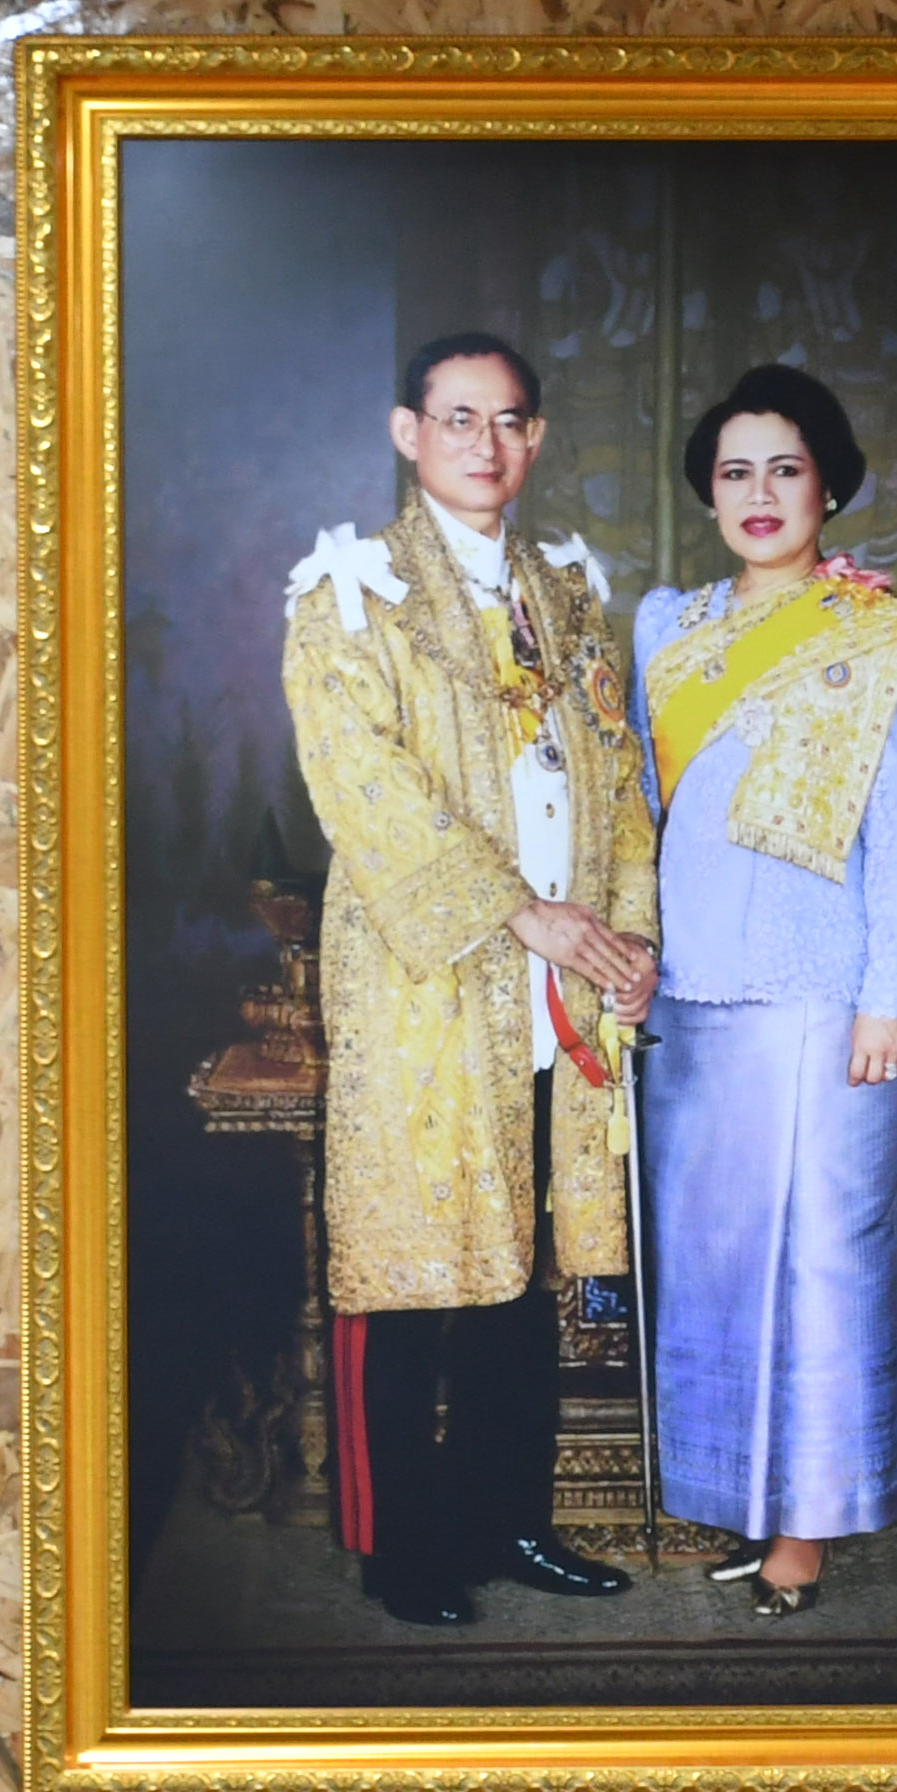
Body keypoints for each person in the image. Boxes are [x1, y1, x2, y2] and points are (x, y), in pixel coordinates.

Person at [281, 330, 656, 1630]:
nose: (483, 445)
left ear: (535, 439)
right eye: (457, 418)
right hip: (428, 990)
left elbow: (619, 782)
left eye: (507, 422)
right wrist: (517, 913)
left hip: (557, 1000)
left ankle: (512, 1521)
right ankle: (403, 1548)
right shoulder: (351, 595)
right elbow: (365, 791)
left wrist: (627, 943)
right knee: (409, 1273)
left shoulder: (568, 595)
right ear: (408, 432)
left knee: (523, 1273)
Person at [628, 364, 897, 1618]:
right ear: (708, 493)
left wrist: (889, 997)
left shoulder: (889, 639)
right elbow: (640, 814)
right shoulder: (666, 628)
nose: (760, 493)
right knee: (716, 1259)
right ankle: (742, 1495)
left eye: (786, 467)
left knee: (824, 1254)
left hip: (829, 992)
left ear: (828, 483)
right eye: (736, 472)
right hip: (691, 994)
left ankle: (808, 1528)